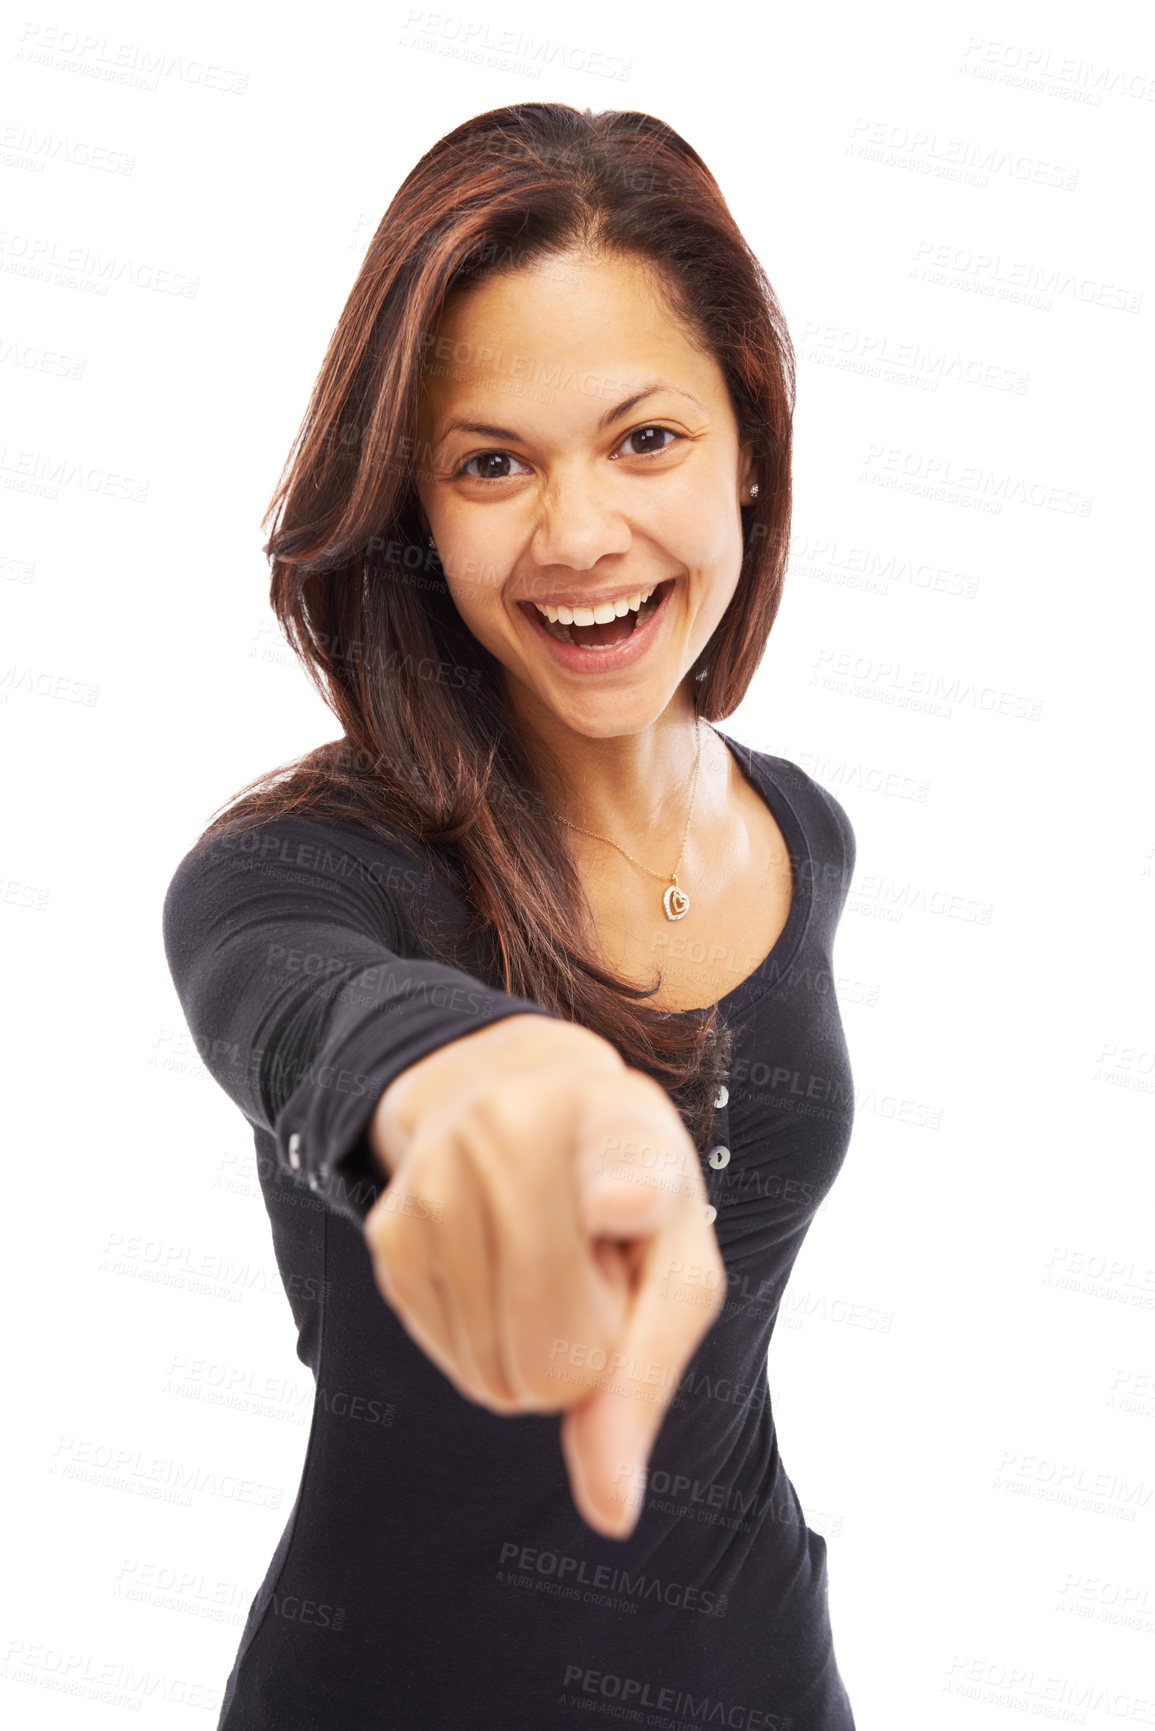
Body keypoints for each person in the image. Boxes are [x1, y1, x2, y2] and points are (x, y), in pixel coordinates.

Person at [163, 101, 859, 1730]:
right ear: (415, 506)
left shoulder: (802, 832)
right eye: (492, 463)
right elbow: (313, 1012)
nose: (579, 536)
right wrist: (471, 1080)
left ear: (747, 432)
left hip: (771, 1682)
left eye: (646, 439)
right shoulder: (297, 873)